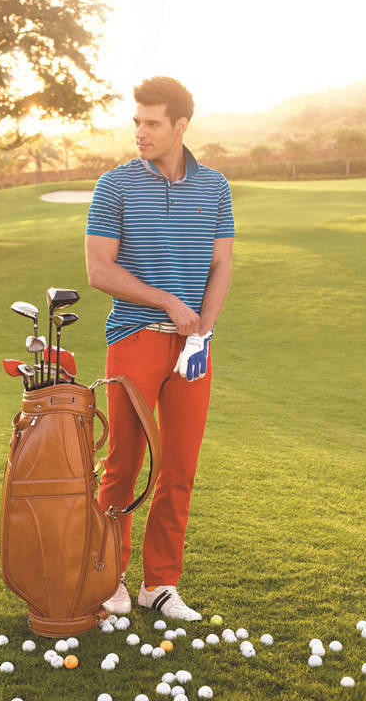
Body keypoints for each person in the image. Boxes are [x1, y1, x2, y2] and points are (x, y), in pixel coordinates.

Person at [85, 76, 235, 621]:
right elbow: (99, 270)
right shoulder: (115, 186)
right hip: (135, 339)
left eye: (152, 123)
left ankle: (161, 584)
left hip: (192, 346)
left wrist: (201, 330)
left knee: (179, 467)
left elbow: (221, 264)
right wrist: (170, 302)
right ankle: (109, 579)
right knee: (123, 464)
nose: (140, 132)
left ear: (180, 126)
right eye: (137, 122)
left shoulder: (214, 187)